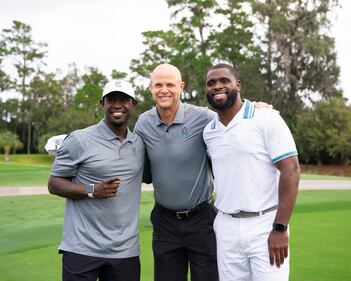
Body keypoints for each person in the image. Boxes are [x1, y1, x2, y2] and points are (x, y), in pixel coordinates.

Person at [134, 63, 268, 281]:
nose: (164, 90)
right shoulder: (143, 123)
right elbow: (142, 168)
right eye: (158, 85)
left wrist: (255, 107)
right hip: (165, 222)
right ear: (151, 88)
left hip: (202, 219)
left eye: (170, 84)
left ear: (181, 87)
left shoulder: (203, 117)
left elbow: (231, 114)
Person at [203, 63, 300, 281]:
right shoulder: (209, 131)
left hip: (264, 225)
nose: (217, 86)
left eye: (224, 81)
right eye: (211, 83)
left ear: (237, 85)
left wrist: (280, 227)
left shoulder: (266, 118)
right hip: (226, 226)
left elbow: (291, 170)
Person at [48, 79, 145, 281]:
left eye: (124, 99)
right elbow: (54, 183)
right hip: (82, 249)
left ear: (133, 103)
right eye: (111, 100)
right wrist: (91, 190)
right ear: (103, 104)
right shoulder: (79, 140)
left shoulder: (140, 143)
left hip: (125, 252)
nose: (117, 105)